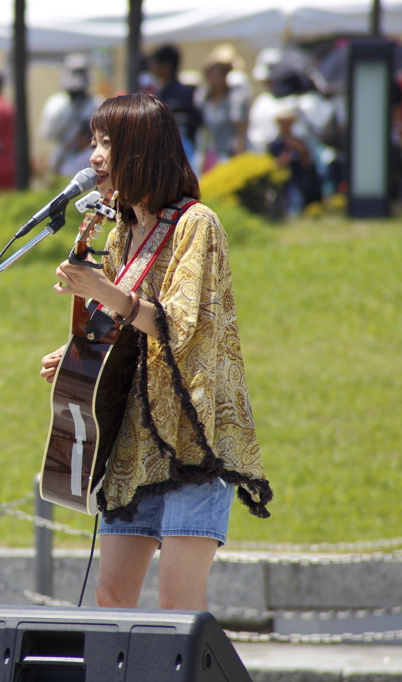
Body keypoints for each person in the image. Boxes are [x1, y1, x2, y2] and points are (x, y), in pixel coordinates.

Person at [39, 93, 273, 611]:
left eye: (108, 143)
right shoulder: (123, 231)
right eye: (94, 141)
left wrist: (102, 291)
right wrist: (80, 353)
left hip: (193, 437)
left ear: (141, 149)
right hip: (134, 444)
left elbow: (182, 326)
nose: (95, 155)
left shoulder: (197, 223)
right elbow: (131, 326)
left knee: (177, 608)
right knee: (111, 596)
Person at [39, 53, 102, 179]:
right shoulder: (98, 104)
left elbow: (48, 134)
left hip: (80, 160)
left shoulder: (54, 103)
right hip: (69, 161)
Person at [194, 44, 249, 175]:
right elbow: (202, 130)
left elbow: (240, 132)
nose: (215, 78)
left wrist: (237, 162)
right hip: (208, 156)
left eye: (219, 74)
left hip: (227, 156)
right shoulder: (203, 98)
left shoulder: (235, 98)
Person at [148, 45, 201, 163]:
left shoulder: (184, 92)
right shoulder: (160, 92)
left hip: (181, 149)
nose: (151, 67)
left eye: (155, 63)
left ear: (166, 66)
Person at [267, 104, 322, 217]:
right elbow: (271, 167)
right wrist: (283, 159)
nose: (286, 126)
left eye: (288, 123)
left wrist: (300, 150)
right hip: (282, 184)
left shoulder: (299, 142)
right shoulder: (274, 145)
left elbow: (307, 163)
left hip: (298, 181)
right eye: (283, 123)